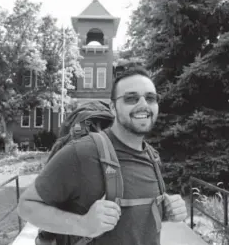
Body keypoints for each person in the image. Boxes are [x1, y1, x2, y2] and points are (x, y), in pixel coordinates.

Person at [17, 64, 188, 245]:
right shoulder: (82, 152)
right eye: (131, 98)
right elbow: (26, 206)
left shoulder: (152, 156)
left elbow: (134, 224)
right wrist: (83, 225)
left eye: (150, 98)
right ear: (113, 108)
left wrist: (168, 211)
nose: (143, 104)